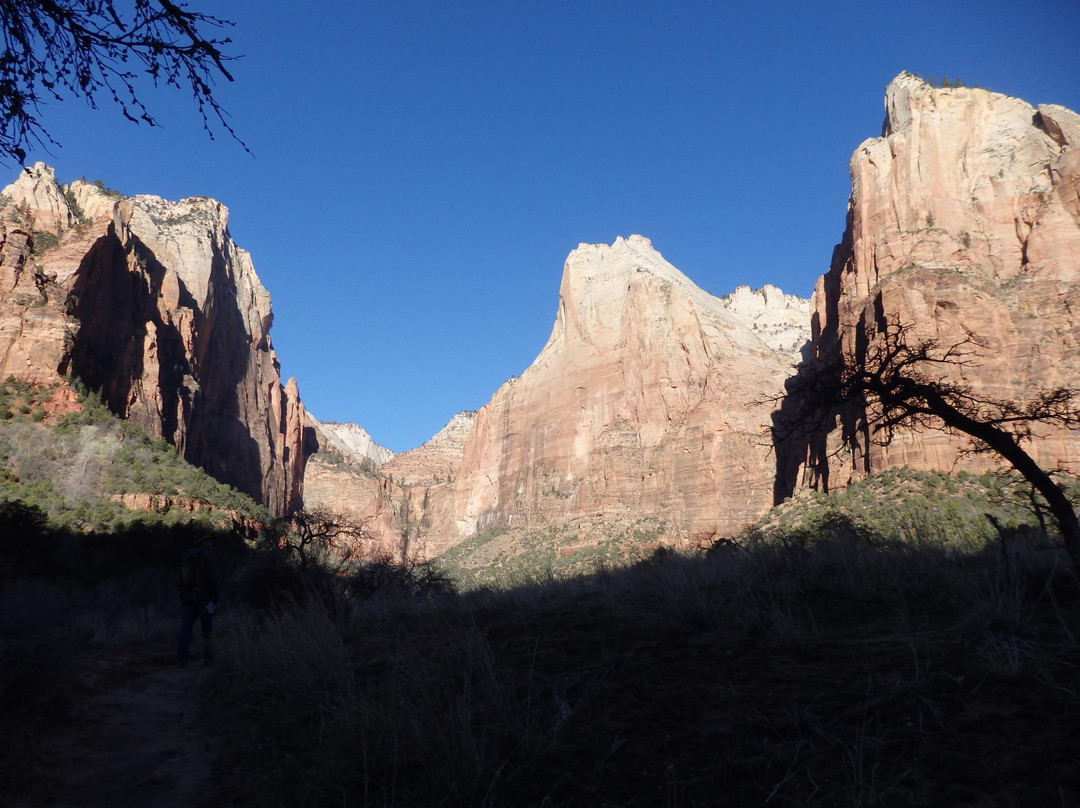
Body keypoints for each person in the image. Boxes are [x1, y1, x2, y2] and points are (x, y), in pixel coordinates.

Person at [177, 533, 220, 666]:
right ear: (204, 542)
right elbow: (212, 576)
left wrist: (182, 595)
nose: (212, 544)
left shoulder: (188, 555)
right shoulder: (208, 554)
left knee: (186, 628)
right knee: (207, 628)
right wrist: (216, 593)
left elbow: (179, 577)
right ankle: (209, 658)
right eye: (209, 541)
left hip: (187, 595)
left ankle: (181, 659)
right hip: (203, 595)